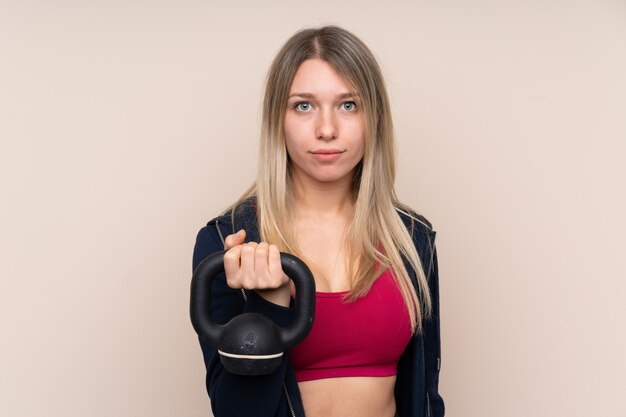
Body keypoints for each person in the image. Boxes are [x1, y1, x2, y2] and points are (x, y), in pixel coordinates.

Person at [192, 25, 444, 417]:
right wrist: (269, 307)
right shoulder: (229, 243)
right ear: (278, 118)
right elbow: (236, 411)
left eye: (348, 105)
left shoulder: (412, 240)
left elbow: (425, 396)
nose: (327, 130)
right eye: (304, 106)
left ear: (373, 118)